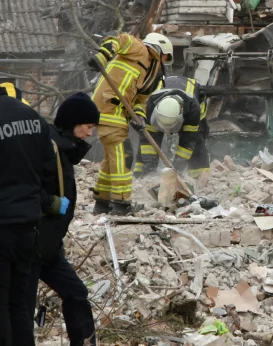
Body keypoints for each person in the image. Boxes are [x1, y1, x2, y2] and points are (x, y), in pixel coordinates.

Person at [31, 92, 98, 346]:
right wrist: (51, 204)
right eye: (88, 126)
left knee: (77, 293)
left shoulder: (63, 150)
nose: (90, 133)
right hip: (30, 245)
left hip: (48, 247)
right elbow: (24, 186)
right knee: (21, 308)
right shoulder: (47, 147)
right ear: (72, 123)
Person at [0, 84, 62, 344]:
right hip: (28, 227)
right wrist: (44, 202)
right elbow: (49, 171)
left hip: (2, 226)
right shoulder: (33, 118)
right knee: (18, 303)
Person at [88, 32, 173, 215]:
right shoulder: (139, 48)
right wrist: (103, 55)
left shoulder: (148, 72)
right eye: (165, 57)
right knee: (124, 155)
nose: (164, 62)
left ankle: (102, 202)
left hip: (117, 114)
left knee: (112, 159)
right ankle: (122, 203)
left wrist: (139, 117)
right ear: (159, 49)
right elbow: (118, 39)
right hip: (108, 108)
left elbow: (140, 101)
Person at [136, 76, 210, 179]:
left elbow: (187, 143)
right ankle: (140, 173)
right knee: (148, 138)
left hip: (192, 108)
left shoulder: (194, 110)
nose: (167, 132)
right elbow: (148, 139)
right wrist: (149, 167)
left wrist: (176, 169)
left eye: (169, 128)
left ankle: (199, 175)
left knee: (197, 139)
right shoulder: (150, 104)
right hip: (168, 98)